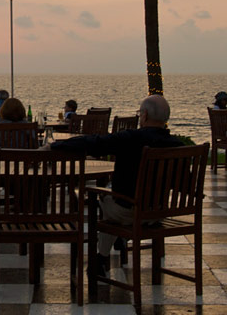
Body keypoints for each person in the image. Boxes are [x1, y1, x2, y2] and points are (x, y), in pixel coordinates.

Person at [46, 95, 182, 274]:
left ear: (145, 115)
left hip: (129, 210)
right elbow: (182, 185)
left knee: (104, 199)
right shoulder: (177, 146)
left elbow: (94, 142)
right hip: (159, 212)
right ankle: (115, 245)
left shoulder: (131, 139)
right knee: (113, 202)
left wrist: (55, 146)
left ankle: (101, 258)